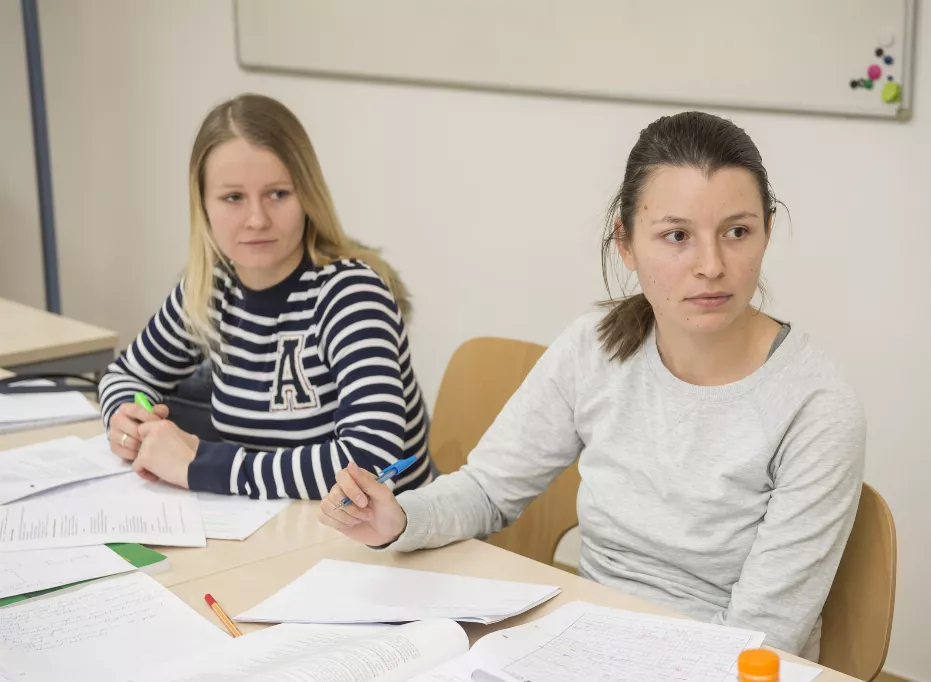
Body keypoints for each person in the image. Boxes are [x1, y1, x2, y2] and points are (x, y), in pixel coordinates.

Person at [316, 111, 866, 659]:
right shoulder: (595, 347)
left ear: (767, 231)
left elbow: (764, 636)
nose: (711, 265)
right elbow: (488, 489)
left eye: (737, 232)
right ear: (625, 244)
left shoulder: (817, 409)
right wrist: (399, 519)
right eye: (676, 235)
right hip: (583, 643)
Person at [98, 93, 434, 499]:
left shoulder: (351, 295)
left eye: (278, 194)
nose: (257, 219)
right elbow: (126, 375)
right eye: (233, 198)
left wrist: (200, 466)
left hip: (386, 545)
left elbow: (370, 460)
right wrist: (127, 419)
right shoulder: (211, 289)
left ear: (307, 195)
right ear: (203, 206)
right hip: (279, 530)